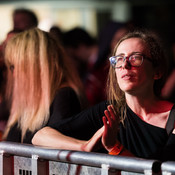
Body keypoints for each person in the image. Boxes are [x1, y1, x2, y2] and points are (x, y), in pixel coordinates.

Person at [32, 29, 175, 161]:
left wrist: (114, 147)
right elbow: (40, 136)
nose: (124, 65)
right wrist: (84, 146)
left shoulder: (172, 118)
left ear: (157, 72)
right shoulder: (109, 111)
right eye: (119, 59)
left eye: (135, 58)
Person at [3, 28, 86, 143]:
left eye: (17, 66)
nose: (14, 73)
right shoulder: (30, 101)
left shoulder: (64, 97)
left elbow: (55, 156)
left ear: (35, 65)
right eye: (11, 67)